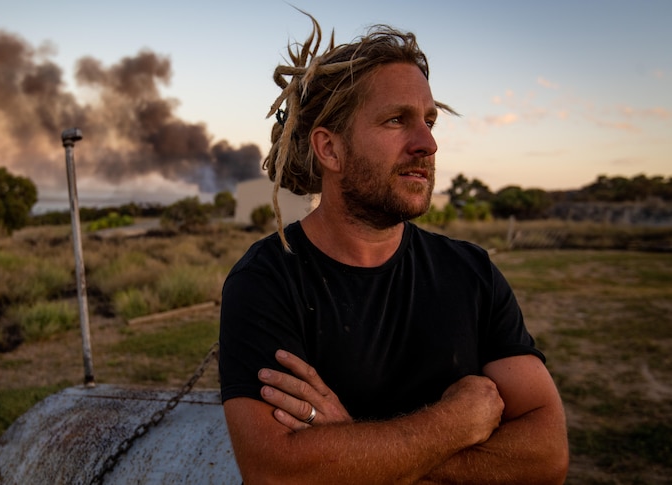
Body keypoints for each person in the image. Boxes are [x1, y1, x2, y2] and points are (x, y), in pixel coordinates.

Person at [218, 14, 569, 484]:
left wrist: (357, 454)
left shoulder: (471, 273)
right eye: (396, 120)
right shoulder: (266, 281)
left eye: (428, 121)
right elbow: (275, 471)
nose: (427, 143)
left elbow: (547, 456)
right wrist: (455, 423)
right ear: (330, 149)